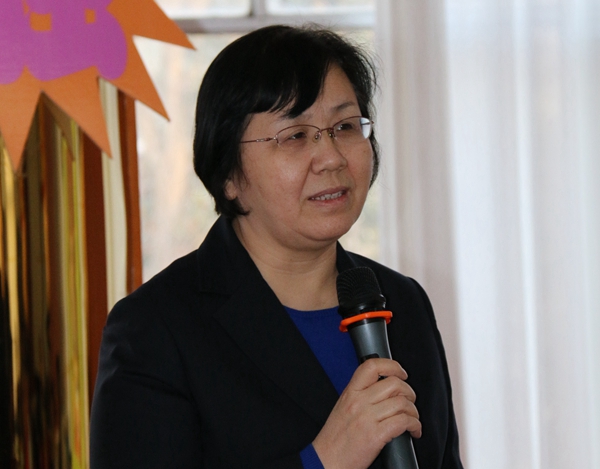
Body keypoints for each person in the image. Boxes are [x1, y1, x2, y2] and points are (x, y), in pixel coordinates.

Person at [90, 25, 463, 469]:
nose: (332, 157)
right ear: (229, 174)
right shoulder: (155, 329)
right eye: (296, 135)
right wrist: (326, 459)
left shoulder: (403, 302)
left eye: (345, 126)